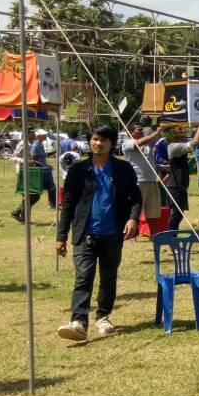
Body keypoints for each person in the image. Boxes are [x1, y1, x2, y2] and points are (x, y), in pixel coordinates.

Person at [55, 124, 141, 342]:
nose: (98, 143)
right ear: (89, 141)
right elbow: (68, 204)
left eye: (103, 140)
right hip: (85, 233)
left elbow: (136, 197)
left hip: (113, 233)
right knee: (83, 277)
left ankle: (103, 316)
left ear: (112, 143)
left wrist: (133, 218)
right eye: (94, 139)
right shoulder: (78, 171)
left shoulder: (123, 169)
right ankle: (78, 322)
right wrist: (61, 236)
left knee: (108, 278)